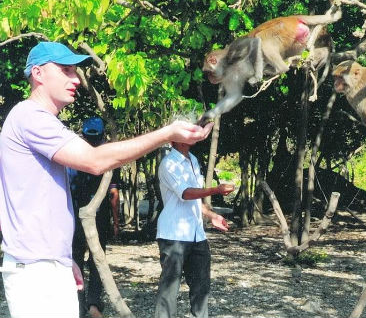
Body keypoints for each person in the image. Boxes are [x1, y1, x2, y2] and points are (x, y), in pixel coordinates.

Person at [0, 41, 213, 318]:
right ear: (38, 74)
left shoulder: (39, 121)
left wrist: (64, 259)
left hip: (48, 265)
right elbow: (95, 161)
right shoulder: (31, 117)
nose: (76, 78)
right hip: (37, 271)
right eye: (65, 70)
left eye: (75, 70)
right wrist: (166, 133)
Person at [155, 141, 234, 318]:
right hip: (173, 234)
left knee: (201, 286)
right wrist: (216, 190)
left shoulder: (193, 160)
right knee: (170, 287)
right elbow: (186, 193)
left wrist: (212, 216)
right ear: (175, 138)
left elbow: (195, 199)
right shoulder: (169, 163)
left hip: (196, 233)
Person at [70, 116, 121, 318]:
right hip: (99, 219)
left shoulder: (72, 157)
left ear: (83, 134)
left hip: (75, 218)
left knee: (76, 262)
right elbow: (114, 194)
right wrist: (116, 221)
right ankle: (94, 305)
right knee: (97, 261)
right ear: (102, 136)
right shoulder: (108, 158)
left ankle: (79, 306)